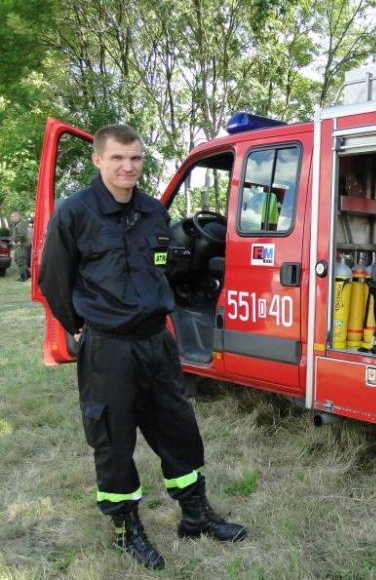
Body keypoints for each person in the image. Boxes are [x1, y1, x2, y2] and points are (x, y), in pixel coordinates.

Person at [38, 124, 246, 570]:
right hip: (109, 346)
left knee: (178, 428)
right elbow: (53, 279)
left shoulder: (154, 212)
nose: (127, 166)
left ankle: (195, 515)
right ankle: (126, 530)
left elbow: (161, 269)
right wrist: (78, 326)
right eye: (117, 158)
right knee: (113, 439)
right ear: (98, 160)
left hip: (156, 342)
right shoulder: (74, 214)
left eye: (135, 158)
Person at [10, 212, 30, 281]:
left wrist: (19, 241)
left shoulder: (20, 224)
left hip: (22, 245)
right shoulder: (16, 224)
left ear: (17, 216)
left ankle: (23, 277)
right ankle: (27, 273)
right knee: (16, 259)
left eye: (13, 216)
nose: (11, 218)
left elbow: (23, 234)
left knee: (21, 260)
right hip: (19, 246)